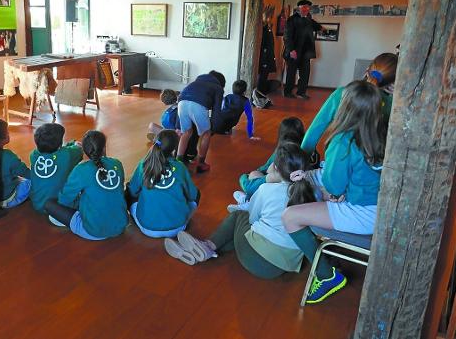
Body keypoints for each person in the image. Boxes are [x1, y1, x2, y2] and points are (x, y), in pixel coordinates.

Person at [282, 80, 387, 304]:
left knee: (290, 217)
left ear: (345, 107)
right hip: (382, 208)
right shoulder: (381, 133)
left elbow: (333, 187)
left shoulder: (344, 140)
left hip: (362, 214)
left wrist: (311, 177)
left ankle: (325, 274)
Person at [164, 142, 315, 280]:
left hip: (256, 260)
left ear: (275, 168)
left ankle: (208, 246)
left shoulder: (267, 189)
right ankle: (209, 250)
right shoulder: (310, 192)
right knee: (241, 231)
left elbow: (252, 217)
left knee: (239, 215)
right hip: (283, 266)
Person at [300, 52, 398, 154]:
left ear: (368, 70)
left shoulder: (341, 94)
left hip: (338, 155)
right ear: (392, 83)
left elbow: (316, 128)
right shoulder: (393, 105)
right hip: (373, 161)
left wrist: (302, 158)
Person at [45, 130, 128, 241]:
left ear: (85, 151)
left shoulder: (81, 170)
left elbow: (64, 200)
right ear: (104, 147)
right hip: (120, 226)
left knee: (50, 204)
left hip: (93, 231)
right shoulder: (117, 164)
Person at [126, 129, 199, 238]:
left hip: (147, 228)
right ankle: (180, 216)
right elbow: (193, 195)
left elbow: (132, 191)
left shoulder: (144, 164)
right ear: (175, 148)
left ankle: (142, 215)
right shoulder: (180, 167)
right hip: (178, 228)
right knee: (196, 194)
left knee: (129, 191)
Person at [233, 117, 305, 207]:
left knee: (253, 176)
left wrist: (244, 176)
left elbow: (248, 187)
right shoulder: (304, 151)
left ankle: (248, 201)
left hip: (279, 189)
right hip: (293, 188)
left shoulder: (282, 154)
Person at [29, 123, 83, 222]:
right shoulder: (67, 155)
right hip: (61, 206)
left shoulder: (33, 155)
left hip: (37, 204)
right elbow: (79, 150)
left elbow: (61, 152)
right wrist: (74, 143)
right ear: (59, 144)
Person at [176, 70, 226, 172]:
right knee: (206, 134)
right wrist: (215, 127)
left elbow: (181, 97)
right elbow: (217, 110)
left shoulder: (195, 82)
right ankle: (201, 163)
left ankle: (179, 161)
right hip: (198, 105)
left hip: (181, 103)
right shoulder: (218, 88)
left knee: (186, 132)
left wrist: (178, 125)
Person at [283, 0, 324, 99]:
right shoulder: (292, 19)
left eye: (308, 7)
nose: (306, 9)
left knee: (305, 73)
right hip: (294, 51)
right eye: (304, 7)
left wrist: (322, 28)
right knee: (291, 73)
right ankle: (288, 92)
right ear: (299, 8)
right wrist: (291, 50)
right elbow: (287, 36)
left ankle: (301, 92)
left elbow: (318, 27)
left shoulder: (309, 19)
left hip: (306, 53)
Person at [146, 89, 197, 159]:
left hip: (174, 137)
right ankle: (160, 140)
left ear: (163, 102)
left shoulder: (171, 112)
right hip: (179, 135)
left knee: (151, 126)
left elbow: (170, 128)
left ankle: (159, 141)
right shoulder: (179, 106)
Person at [0, 119, 31, 209]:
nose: (8, 134)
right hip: (7, 199)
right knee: (30, 182)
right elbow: (26, 173)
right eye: (7, 131)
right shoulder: (8, 156)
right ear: (2, 138)